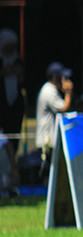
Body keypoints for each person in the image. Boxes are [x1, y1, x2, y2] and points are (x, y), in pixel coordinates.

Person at [35, 61, 73, 180]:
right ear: (55, 77)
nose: (65, 81)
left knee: (52, 175)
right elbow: (64, 108)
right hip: (46, 142)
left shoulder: (50, 89)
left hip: (49, 141)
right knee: (48, 176)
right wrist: (68, 93)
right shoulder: (49, 90)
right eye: (63, 78)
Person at [0, 28, 25, 191]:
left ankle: (12, 173)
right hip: (2, 108)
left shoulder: (18, 61)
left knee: (12, 141)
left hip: (14, 109)